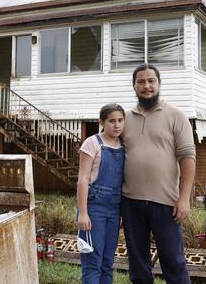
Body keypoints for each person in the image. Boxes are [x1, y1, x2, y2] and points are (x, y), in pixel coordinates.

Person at [121, 64, 196, 284]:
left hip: (166, 203)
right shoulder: (123, 119)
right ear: (134, 86)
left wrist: (184, 199)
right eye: (141, 81)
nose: (147, 86)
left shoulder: (176, 116)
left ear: (159, 83)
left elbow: (188, 158)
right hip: (131, 202)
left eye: (151, 81)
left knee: (173, 261)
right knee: (138, 263)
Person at [76, 103, 126, 284]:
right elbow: (82, 180)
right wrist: (83, 213)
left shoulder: (123, 145)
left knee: (107, 262)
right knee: (92, 261)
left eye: (120, 120)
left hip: (114, 209)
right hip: (94, 208)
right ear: (102, 122)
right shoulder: (92, 143)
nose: (117, 125)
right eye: (112, 121)